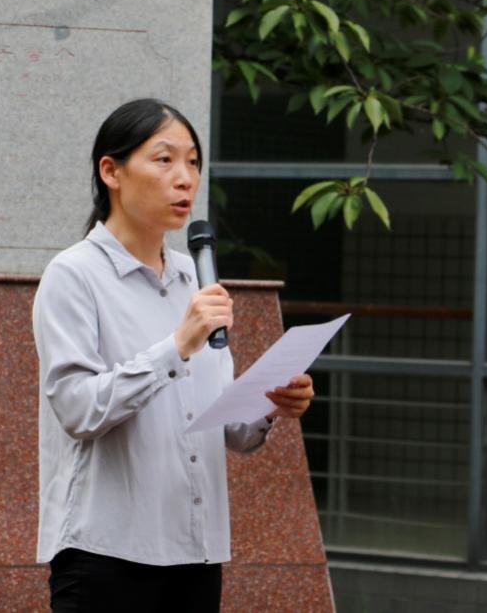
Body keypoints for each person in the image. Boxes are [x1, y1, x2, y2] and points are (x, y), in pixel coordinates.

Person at [33, 98, 314, 613]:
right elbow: (77, 409)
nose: (185, 178)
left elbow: (228, 429)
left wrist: (271, 403)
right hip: (105, 553)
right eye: (164, 160)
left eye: (193, 162)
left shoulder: (194, 276)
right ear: (111, 172)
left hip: (195, 554)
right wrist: (177, 346)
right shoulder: (73, 275)